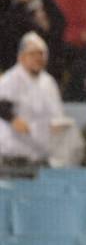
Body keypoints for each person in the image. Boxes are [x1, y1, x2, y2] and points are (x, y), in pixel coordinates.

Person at [0, 33, 64, 168]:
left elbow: (57, 112)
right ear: (21, 57)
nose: (37, 58)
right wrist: (13, 120)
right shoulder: (12, 78)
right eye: (32, 54)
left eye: (41, 54)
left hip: (42, 154)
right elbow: (2, 105)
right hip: (15, 154)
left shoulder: (48, 82)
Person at [1, 0, 66, 82]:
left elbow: (60, 23)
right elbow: (10, 28)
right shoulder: (11, 8)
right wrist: (21, 2)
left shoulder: (44, 6)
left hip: (46, 73)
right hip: (17, 73)